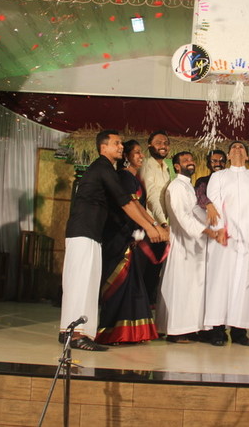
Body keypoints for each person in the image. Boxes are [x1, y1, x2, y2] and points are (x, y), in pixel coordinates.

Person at [61, 130, 167, 351]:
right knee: (82, 283)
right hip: (84, 231)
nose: (120, 147)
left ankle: (73, 332)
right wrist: (151, 227)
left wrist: (153, 225)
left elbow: (130, 202)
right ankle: (76, 333)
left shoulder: (106, 169)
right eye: (116, 143)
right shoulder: (103, 168)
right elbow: (125, 202)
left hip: (90, 233)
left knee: (86, 283)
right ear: (103, 147)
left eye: (121, 144)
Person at [204, 141, 249, 346]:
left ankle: (240, 331)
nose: (237, 149)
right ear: (228, 156)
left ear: (247, 156)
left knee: (246, 282)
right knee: (220, 280)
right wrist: (220, 228)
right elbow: (213, 202)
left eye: (241, 147)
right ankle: (217, 330)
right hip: (225, 235)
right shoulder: (218, 176)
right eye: (233, 148)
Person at [95, 140, 161, 345]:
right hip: (118, 237)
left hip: (131, 237)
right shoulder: (124, 177)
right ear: (126, 157)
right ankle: (110, 332)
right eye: (137, 153)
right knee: (118, 283)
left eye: (141, 153)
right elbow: (132, 206)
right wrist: (153, 226)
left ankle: (130, 333)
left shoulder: (134, 179)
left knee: (132, 285)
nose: (141, 156)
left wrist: (151, 226)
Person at [157, 151, 220, 343]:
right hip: (183, 244)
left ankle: (190, 328)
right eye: (185, 161)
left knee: (192, 288)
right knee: (181, 287)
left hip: (195, 244)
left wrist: (212, 225)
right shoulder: (177, 187)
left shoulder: (189, 187)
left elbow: (195, 211)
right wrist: (206, 230)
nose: (190, 162)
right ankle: (176, 331)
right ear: (176, 166)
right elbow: (181, 216)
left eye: (192, 159)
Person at [139, 130, 173, 302]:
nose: (163, 145)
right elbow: (152, 197)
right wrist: (162, 224)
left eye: (166, 143)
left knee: (154, 273)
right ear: (149, 146)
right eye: (158, 142)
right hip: (149, 226)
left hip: (163, 226)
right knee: (144, 271)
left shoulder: (167, 168)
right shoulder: (146, 165)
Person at [195, 149, 227, 226]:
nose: (218, 164)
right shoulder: (202, 181)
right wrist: (209, 205)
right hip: (210, 222)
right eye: (214, 161)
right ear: (208, 164)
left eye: (222, 161)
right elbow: (200, 196)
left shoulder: (230, 181)